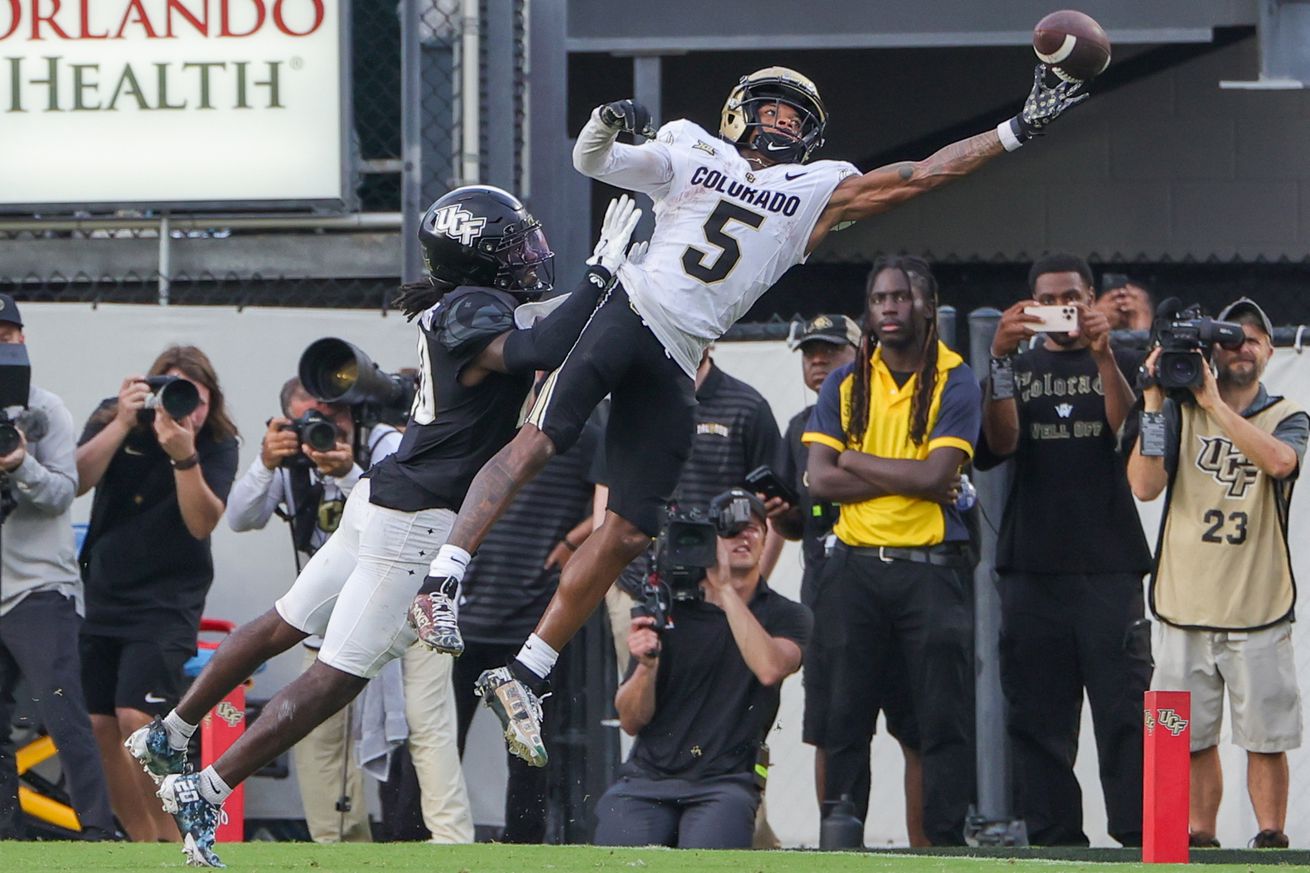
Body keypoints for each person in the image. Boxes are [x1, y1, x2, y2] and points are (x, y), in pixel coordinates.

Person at [411, 64, 1090, 768]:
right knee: (542, 438)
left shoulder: (814, 190)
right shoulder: (691, 146)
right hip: (628, 310)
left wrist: (1018, 129)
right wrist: (603, 126)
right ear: (740, 110)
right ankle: (443, 580)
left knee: (631, 528)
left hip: (682, 355)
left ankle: (526, 671)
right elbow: (597, 161)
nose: (783, 123)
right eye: (773, 109)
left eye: (797, 117)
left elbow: (920, 175)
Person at [127, 187, 642, 868]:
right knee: (338, 673)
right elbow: (540, 344)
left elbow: (533, 336)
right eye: (515, 246)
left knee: (286, 621)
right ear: (480, 260)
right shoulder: (470, 309)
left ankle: (172, 729)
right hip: (413, 518)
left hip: (387, 496)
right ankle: (207, 786)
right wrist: (601, 276)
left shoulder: (463, 305)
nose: (532, 255)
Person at [804, 257, 980, 846]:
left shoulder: (956, 378)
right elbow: (820, 481)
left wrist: (852, 457)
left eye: (901, 297)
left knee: (939, 723)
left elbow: (938, 478)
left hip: (929, 572)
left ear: (927, 305)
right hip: (853, 569)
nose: (888, 307)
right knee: (844, 720)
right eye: (878, 298)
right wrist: (901, 475)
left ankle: (942, 845)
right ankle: (841, 845)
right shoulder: (845, 380)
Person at [979, 254, 1151, 846]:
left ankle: (1137, 840)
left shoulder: (1124, 358)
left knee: (1126, 716)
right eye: (1047, 300)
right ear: (1030, 307)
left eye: (1072, 297)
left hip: (1110, 567)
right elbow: (998, 445)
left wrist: (1104, 354)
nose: (1062, 310)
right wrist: (999, 359)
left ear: (1093, 299)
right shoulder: (1016, 365)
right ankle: (1056, 847)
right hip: (1032, 568)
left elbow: (1128, 434)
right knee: (1037, 721)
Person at [1128, 297, 1306, 850]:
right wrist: (1155, 398)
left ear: (1270, 351)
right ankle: (1196, 836)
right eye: (1231, 339)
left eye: (1252, 338)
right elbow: (1144, 485)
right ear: (1211, 351)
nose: (1241, 348)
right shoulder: (1178, 412)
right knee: (1185, 736)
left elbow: (1280, 462)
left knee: (1264, 736)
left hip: (1258, 602)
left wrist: (1211, 402)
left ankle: (1270, 835)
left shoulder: (1288, 415)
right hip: (1184, 602)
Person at [769, 313, 926, 846]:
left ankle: (929, 849)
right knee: (834, 731)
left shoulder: (888, 414)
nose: (817, 361)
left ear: (861, 355)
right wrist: (781, 510)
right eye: (810, 352)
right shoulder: (796, 428)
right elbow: (797, 523)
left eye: (830, 351)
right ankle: (838, 847)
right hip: (829, 593)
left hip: (896, 584)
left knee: (918, 730)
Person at [74, 345, 240, 843]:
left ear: (213, 403)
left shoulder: (216, 443)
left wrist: (183, 455)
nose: (188, 408)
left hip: (169, 601)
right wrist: (123, 423)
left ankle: (175, 840)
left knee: (137, 718)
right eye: (176, 394)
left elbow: (201, 523)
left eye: (200, 399)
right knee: (100, 722)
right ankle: (142, 845)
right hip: (104, 592)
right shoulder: (117, 417)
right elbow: (76, 481)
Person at [225, 379, 395, 844]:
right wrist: (265, 461)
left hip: (391, 627)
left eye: (330, 418)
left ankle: (422, 843)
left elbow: (395, 515)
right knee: (318, 748)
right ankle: (337, 851)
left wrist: (346, 473)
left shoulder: (380, 445)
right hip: (324, 631)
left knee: (407, 738)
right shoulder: (289, 463)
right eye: (307, 422)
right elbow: (240, 517)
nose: (321, 430)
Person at [592, 490, 811, 849]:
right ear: (711, 541)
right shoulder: (667, 608)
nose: (744, 537)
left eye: (754, 528)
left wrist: (724, 590)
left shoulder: (787, 615)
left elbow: (770, 668)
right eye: (731, 530)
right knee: (617, 853)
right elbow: (631, 720)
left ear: (766, 538)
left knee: (708, 855)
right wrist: (646, 667)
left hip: (725, 784)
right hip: (647, 780)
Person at [453, 396, 601, 843]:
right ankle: (413, 839)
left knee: (528, 750)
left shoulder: (585, 436)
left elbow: (607, 511)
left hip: (533, 628)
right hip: (467, 619)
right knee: (436, 741)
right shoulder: (492, 429)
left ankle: (523, 849)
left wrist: (571, 543)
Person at [0, 296, 115, 841]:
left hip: (39, 589)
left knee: (65, 712)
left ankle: (96, 832)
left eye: (8, 333)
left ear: (22, 339)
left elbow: (63, 492)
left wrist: (20, 463)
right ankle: (7, 838)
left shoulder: (46, 409)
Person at [600, 348, 786, 678]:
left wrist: (748, 591)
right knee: (637, 710)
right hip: (638, 589)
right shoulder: (633, 402)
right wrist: (607, 580)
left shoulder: (748, 406)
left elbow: (772, 513)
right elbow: (606, 490)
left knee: (717, 709)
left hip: (718, 597)